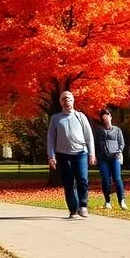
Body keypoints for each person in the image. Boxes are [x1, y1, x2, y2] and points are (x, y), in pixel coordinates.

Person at [47, 91, 96, 219]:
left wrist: (92, 153)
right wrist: (51, 156)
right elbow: (51, 138)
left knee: (82, 180)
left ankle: (83, 206)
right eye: (63, 99)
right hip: (63, 155)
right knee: (68, 182)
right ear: (61, 102)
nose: (66, 101)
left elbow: (89, 136)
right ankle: (73, 209)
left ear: (73, 101)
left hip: (80, 153)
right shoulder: (56, 119)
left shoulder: (81, 116)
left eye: (68, 99)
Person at [95, 108, 127, 210]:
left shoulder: (117, 130)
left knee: (117, 179)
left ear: (110, 117)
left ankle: (121, 200)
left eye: (107, 117)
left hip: (115, 157)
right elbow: (96, 143)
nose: (106, 120)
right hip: (103, 158)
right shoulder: (99, 130)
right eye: (104, 118)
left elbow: (121, 143)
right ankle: (107, 201)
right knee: (105, 179)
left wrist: (119, 150)